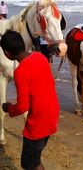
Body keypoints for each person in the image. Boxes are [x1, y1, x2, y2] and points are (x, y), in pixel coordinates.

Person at [1, 30, 59, 170]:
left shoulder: (20, 71)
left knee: (29, 163)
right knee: (34, 159)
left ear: (7, 54)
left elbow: (22, 107)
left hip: (38, 122)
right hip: (52, 114)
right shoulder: (40, 57)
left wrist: (9, 108)